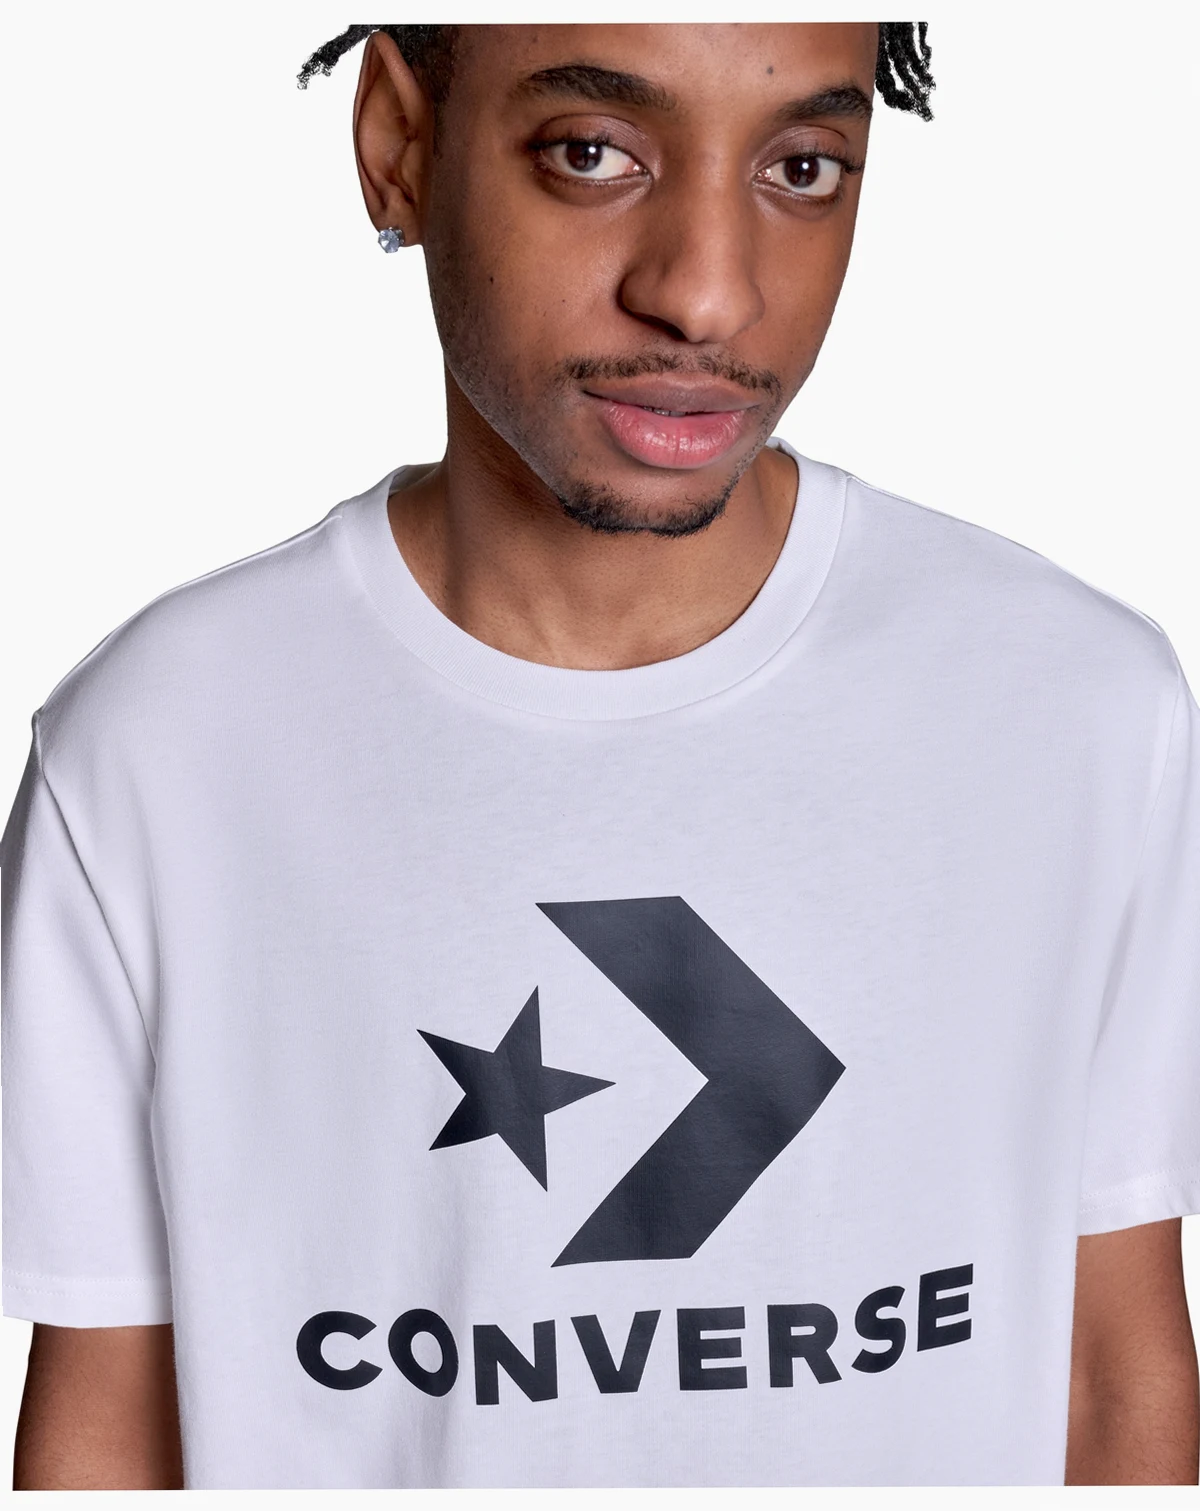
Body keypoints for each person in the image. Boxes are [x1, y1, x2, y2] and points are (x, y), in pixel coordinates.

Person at [1, 20, 1197, 1491]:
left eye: (803, 168)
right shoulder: (158, 750)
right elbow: (112, 1427)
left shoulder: (1074, 709)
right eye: (593, 154)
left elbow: (1112, 1378)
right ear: (398, 144)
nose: (707, 293)